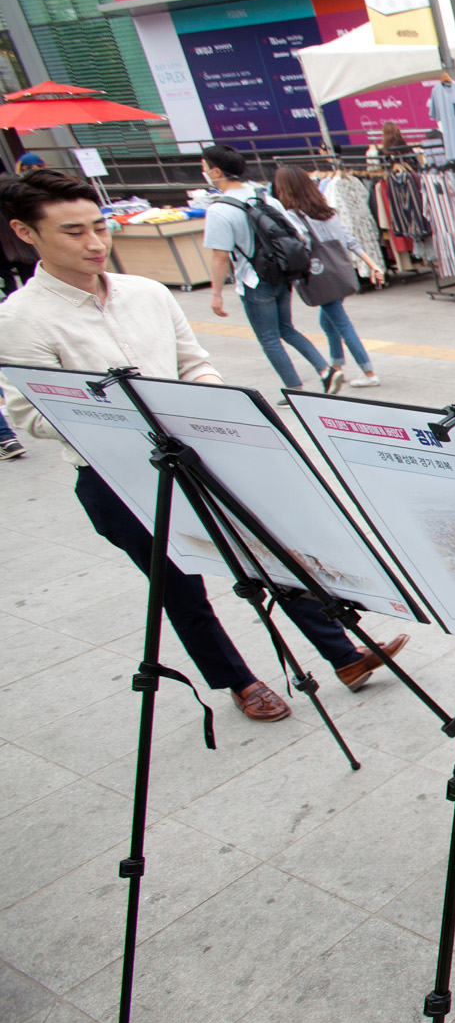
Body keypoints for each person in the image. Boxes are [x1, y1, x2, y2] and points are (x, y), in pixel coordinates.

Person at [0, 168, 405, 721]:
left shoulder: (146, 293)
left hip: (194, 454)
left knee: (272, 549)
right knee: (181, 587)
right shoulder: (19, 319)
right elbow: (31, 416)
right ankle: (238, 682)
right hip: (115, 475)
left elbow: (195, 365)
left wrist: (213, 410)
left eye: (99, 225)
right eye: (73, 232)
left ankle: (343, 654)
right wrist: (114, 412)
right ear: (26, 233)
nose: (95, 243)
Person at [200, 143, 337, 394]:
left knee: (269, 338)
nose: (204, 171)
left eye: (205, 167)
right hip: (282, 275)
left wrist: (216, 293)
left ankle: (295, 389)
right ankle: (325, 369)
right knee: (286, 328)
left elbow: (220, 257)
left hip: (253, 280)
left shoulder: (219, 210)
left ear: (216, 172)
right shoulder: (266, 198)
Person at [270, 165, 385, 389]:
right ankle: (337, 367)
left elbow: (303, 246)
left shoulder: (294, 217)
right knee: (329, 322)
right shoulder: (327, 211)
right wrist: (373, 266)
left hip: (320, 277)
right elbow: (350, 241)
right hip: (339, 273)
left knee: (340, 323)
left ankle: (368, 372)